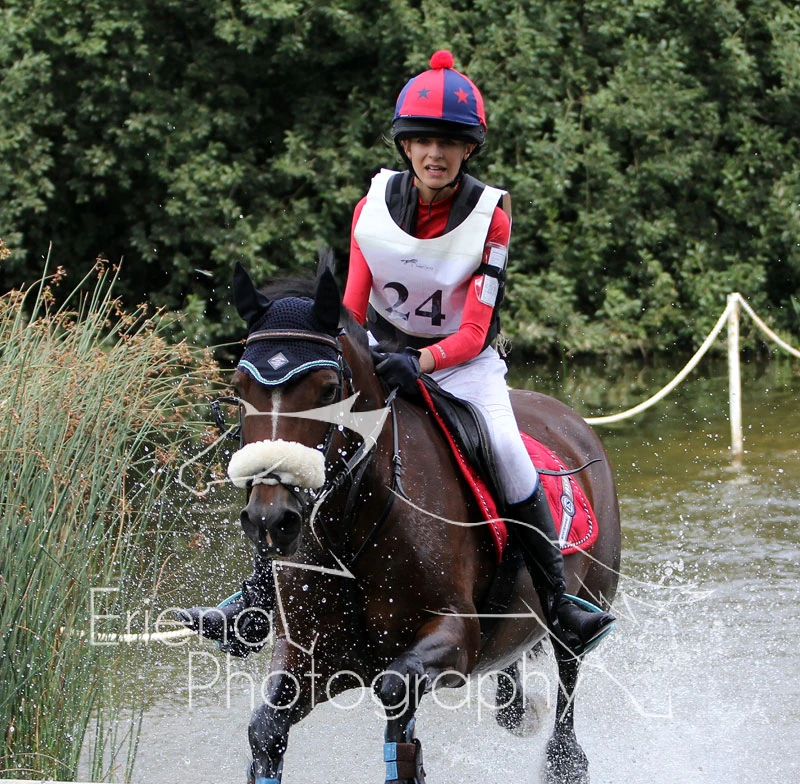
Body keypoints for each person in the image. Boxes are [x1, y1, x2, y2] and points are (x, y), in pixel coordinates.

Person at [181, 50, 613, 657]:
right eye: (423, 141)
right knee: (303, 444)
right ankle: (255, 598)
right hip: (381, 359)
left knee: (508, 454)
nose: (435, 154)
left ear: (468, 150)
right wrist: (357, 358)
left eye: (449, 142)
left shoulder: (491, 217)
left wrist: (423, 362)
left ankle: (559, 600)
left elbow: (475, 330)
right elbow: (353, 311)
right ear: (405, 146)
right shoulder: (373, 208)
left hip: (462, 367)